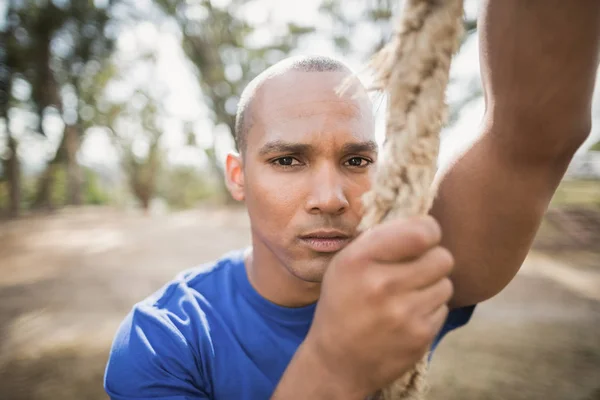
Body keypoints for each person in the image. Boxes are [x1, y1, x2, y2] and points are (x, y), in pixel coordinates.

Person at [104, 1, 600, 399]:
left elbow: (536, 131)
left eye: (356, 161)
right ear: (238, 176)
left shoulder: (403, 272)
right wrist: (334, 365)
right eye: (287, 161)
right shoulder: (165, 340)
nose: (330, 198)